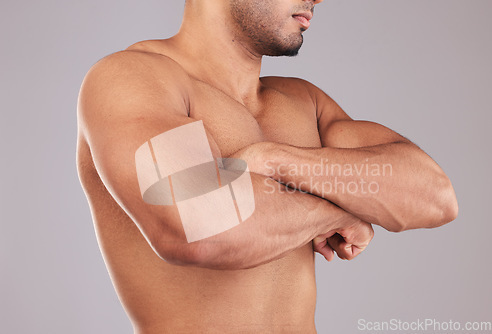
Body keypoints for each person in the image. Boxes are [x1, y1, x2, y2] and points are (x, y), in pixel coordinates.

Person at [76, 0, 458, 332]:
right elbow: (200, 229)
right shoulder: (132, 78)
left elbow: (435, 197)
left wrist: (272, 159)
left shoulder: (304, 101)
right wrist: (339, 207)